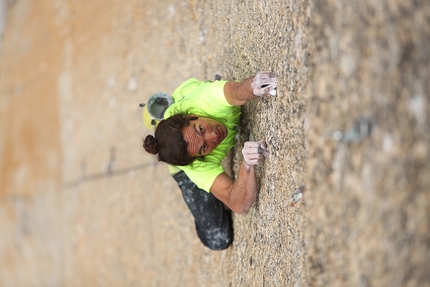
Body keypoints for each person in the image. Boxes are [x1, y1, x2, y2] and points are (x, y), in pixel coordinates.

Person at [143, 71, 277, 250]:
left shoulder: (201, 101)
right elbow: (238, 205)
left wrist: (253, 86)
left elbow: (236, 91)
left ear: (192, 116)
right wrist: (247, 165)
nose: (214, 136)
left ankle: (156, 114)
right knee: (219, 239)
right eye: (204, 148)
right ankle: (204, 183)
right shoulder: (194, 166)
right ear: (199, 158)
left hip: (190, 100)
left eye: (200, 129)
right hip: (181, 166)